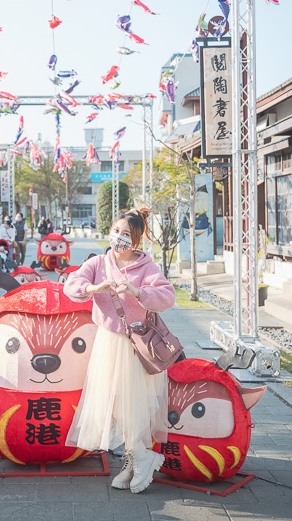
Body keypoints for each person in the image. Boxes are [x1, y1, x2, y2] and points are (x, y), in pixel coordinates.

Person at [62, 208, 175, 494]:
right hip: (107, 343)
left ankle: (139, 458)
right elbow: (71, 286)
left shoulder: (147, 267)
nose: (120, 238)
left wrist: (138, 292)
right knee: (112, 406)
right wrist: (93, 287)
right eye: (117, 231)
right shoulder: (99, 262)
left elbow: (167, 296)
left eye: (127, 235)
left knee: (131, 406)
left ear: (136, 241)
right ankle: (135, 459)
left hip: (134, 345)